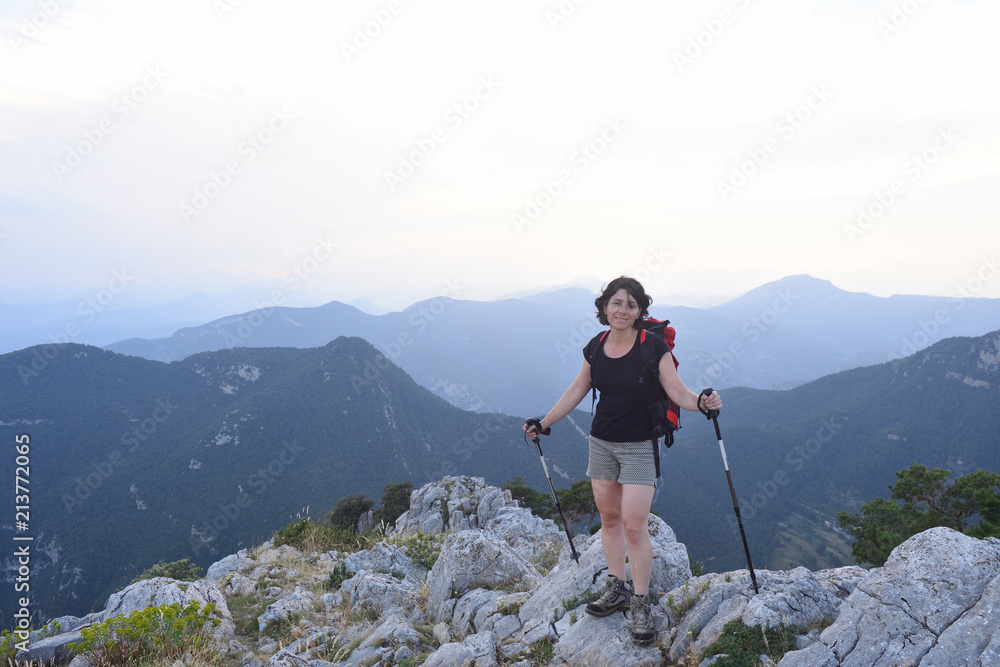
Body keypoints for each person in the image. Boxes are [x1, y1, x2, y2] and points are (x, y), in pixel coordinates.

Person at [523, 276, 722, 646]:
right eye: (616, 303)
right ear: (604, 308)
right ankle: (617, 588)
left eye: (631, 305)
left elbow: (677, 391)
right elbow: (576, 389)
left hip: (639, 446)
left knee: (634, 525)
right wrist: (544, 423)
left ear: (640, 311)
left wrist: (703, 402)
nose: (623, 310)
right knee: (610, 520)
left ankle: (642, 602)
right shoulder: (595, 347)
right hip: (601, 443)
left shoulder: (653, 347)